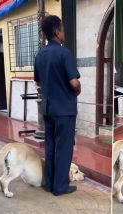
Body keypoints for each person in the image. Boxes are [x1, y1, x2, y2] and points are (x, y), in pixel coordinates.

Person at [34, 15, 81, 196]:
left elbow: (38, 82)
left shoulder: (40, 55)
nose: (63, 33)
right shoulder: (64, 53)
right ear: (56, 31)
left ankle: (50, 183)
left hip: (47, 108)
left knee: (51, 146)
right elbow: (74, 83)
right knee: (63, 148)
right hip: (64, 109)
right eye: (62, 29)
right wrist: (76, 91)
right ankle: (60, 187)